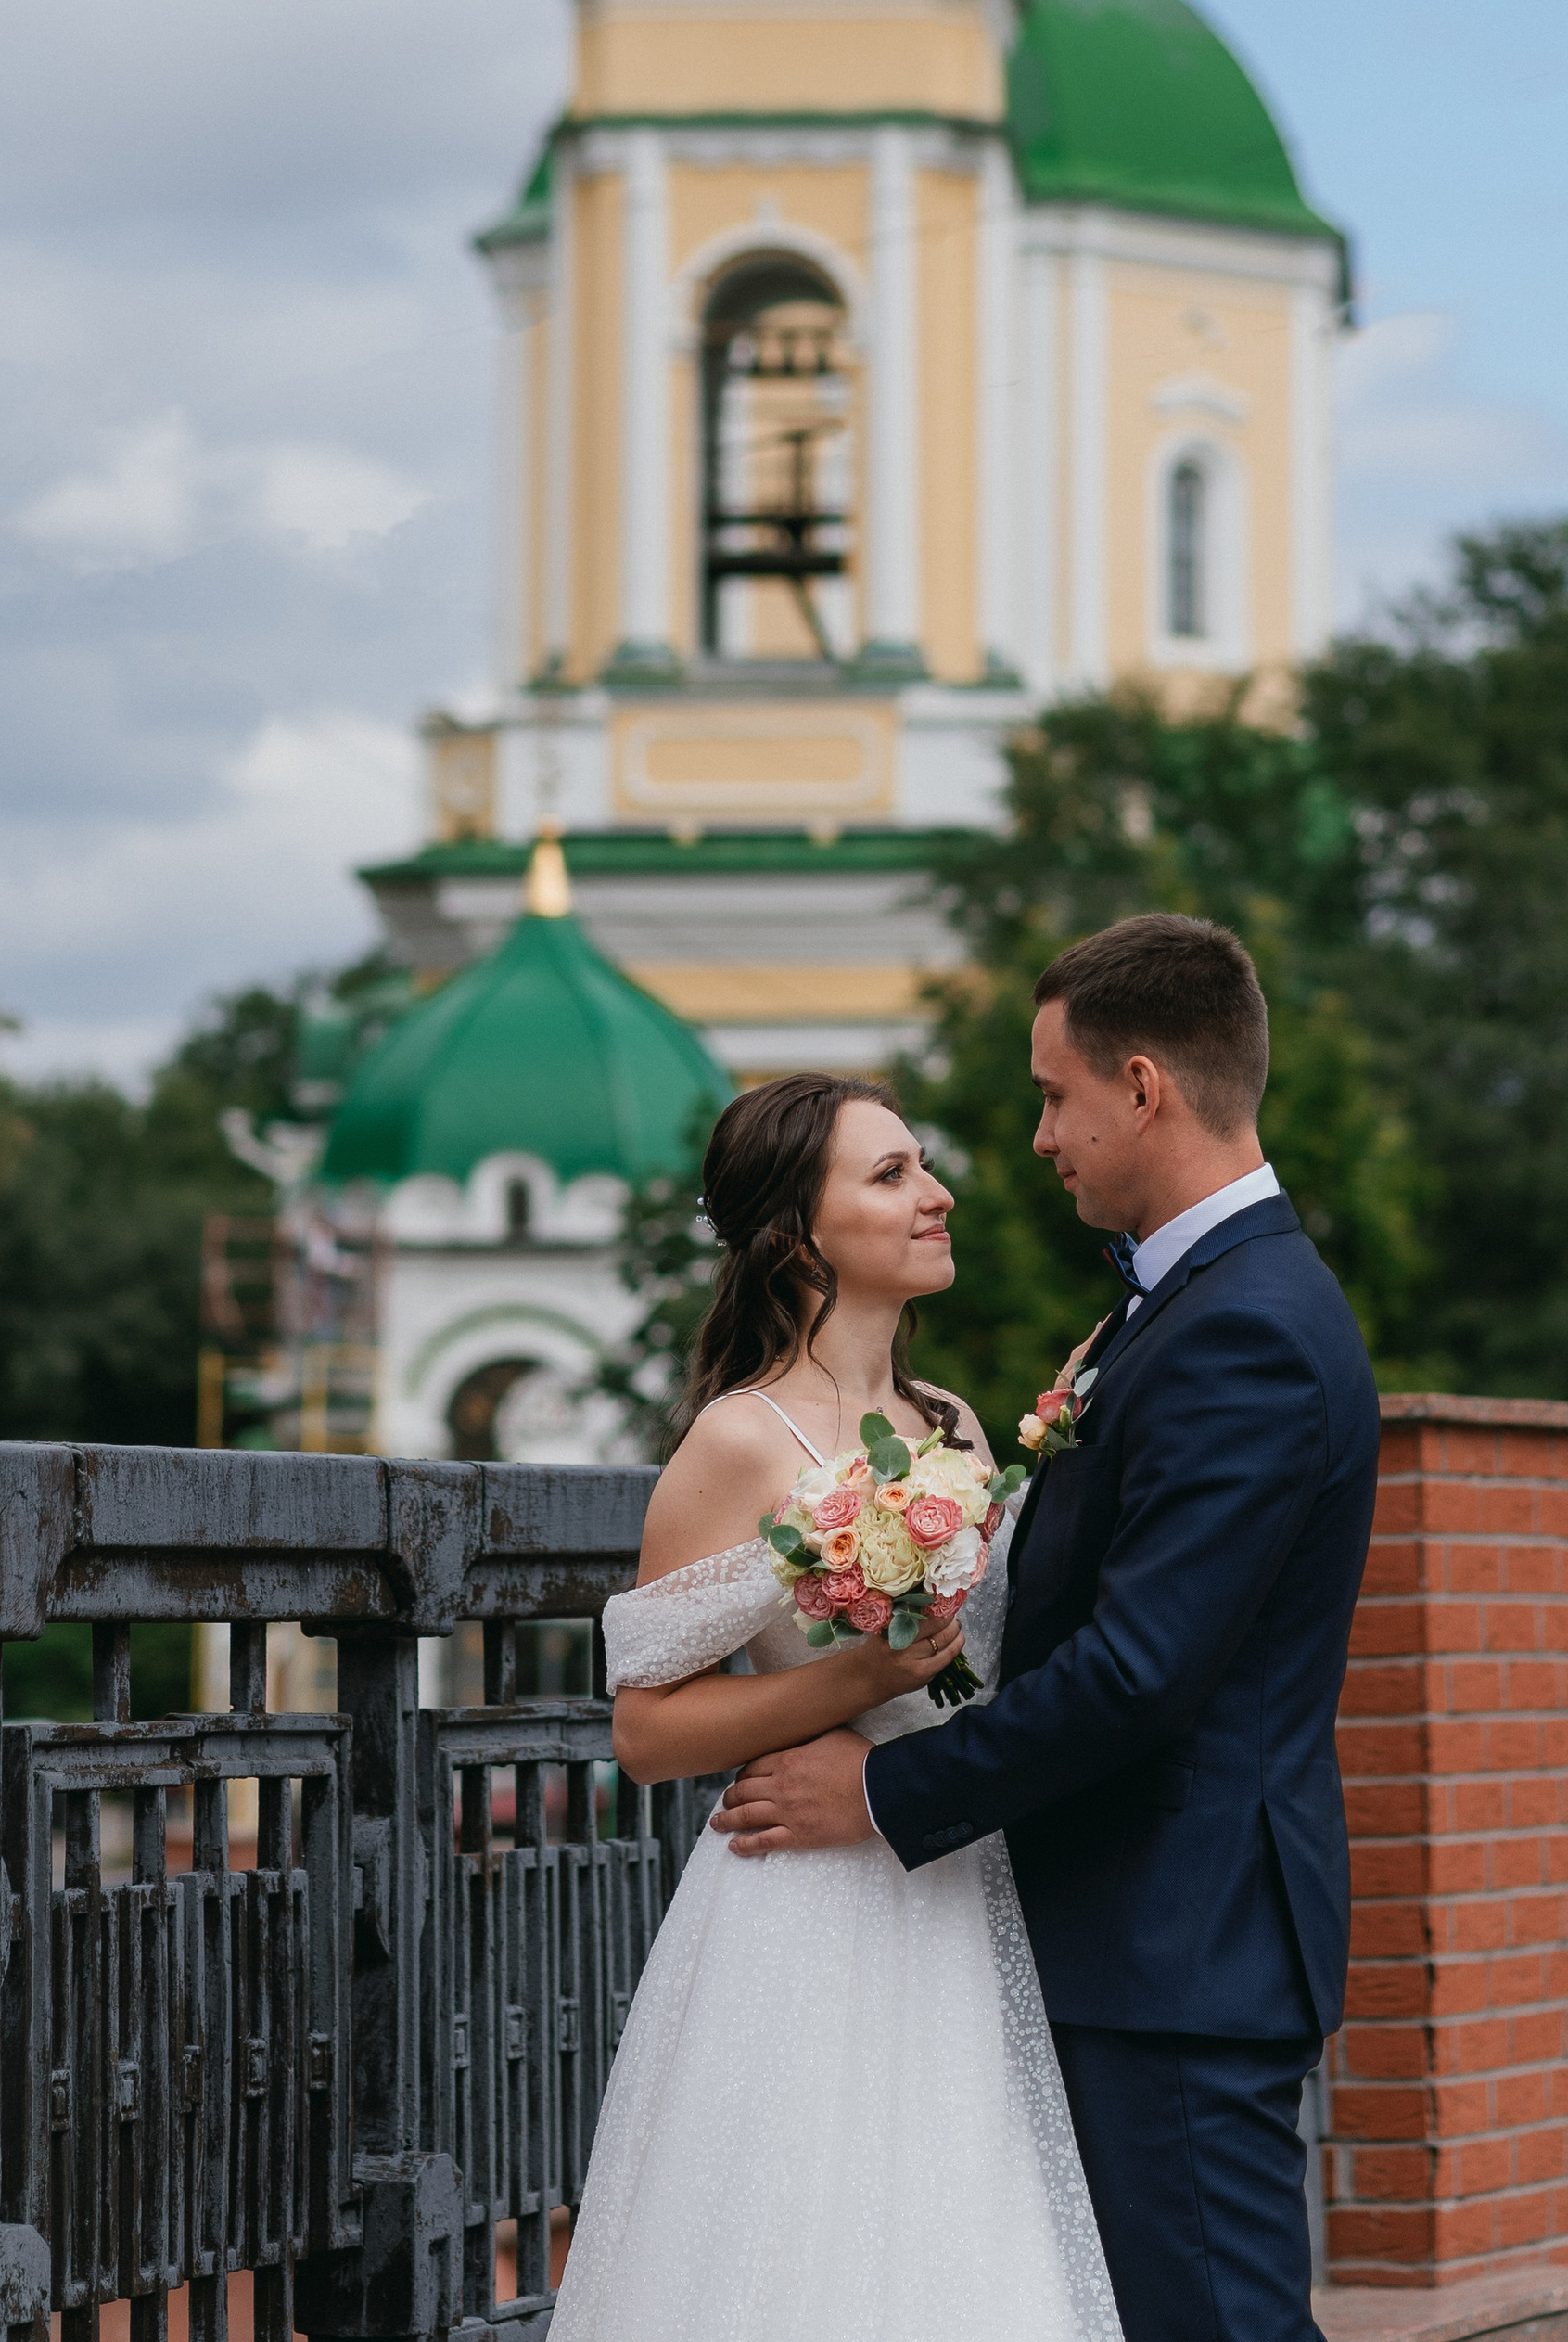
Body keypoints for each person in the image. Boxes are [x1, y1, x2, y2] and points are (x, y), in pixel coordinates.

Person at [713, 913, 1382, 2342]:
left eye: (1053, 1094)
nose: (1034, 1137)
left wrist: (882, 1787)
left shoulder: (1243, 1327)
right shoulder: (1178, 1308)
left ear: (1142, 1085)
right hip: (1126, 1929)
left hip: (1174, 1942)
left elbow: (1142, 1672)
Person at [546, 1069, 1122, 2342]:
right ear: (798, 1237)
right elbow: (644, 1731)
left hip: (954, 1879)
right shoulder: (740, 1442)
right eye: (893, 1173)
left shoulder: (955, 1425)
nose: (938, 1192)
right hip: (803, 1898)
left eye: (922, 1163)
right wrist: (851, 1679)